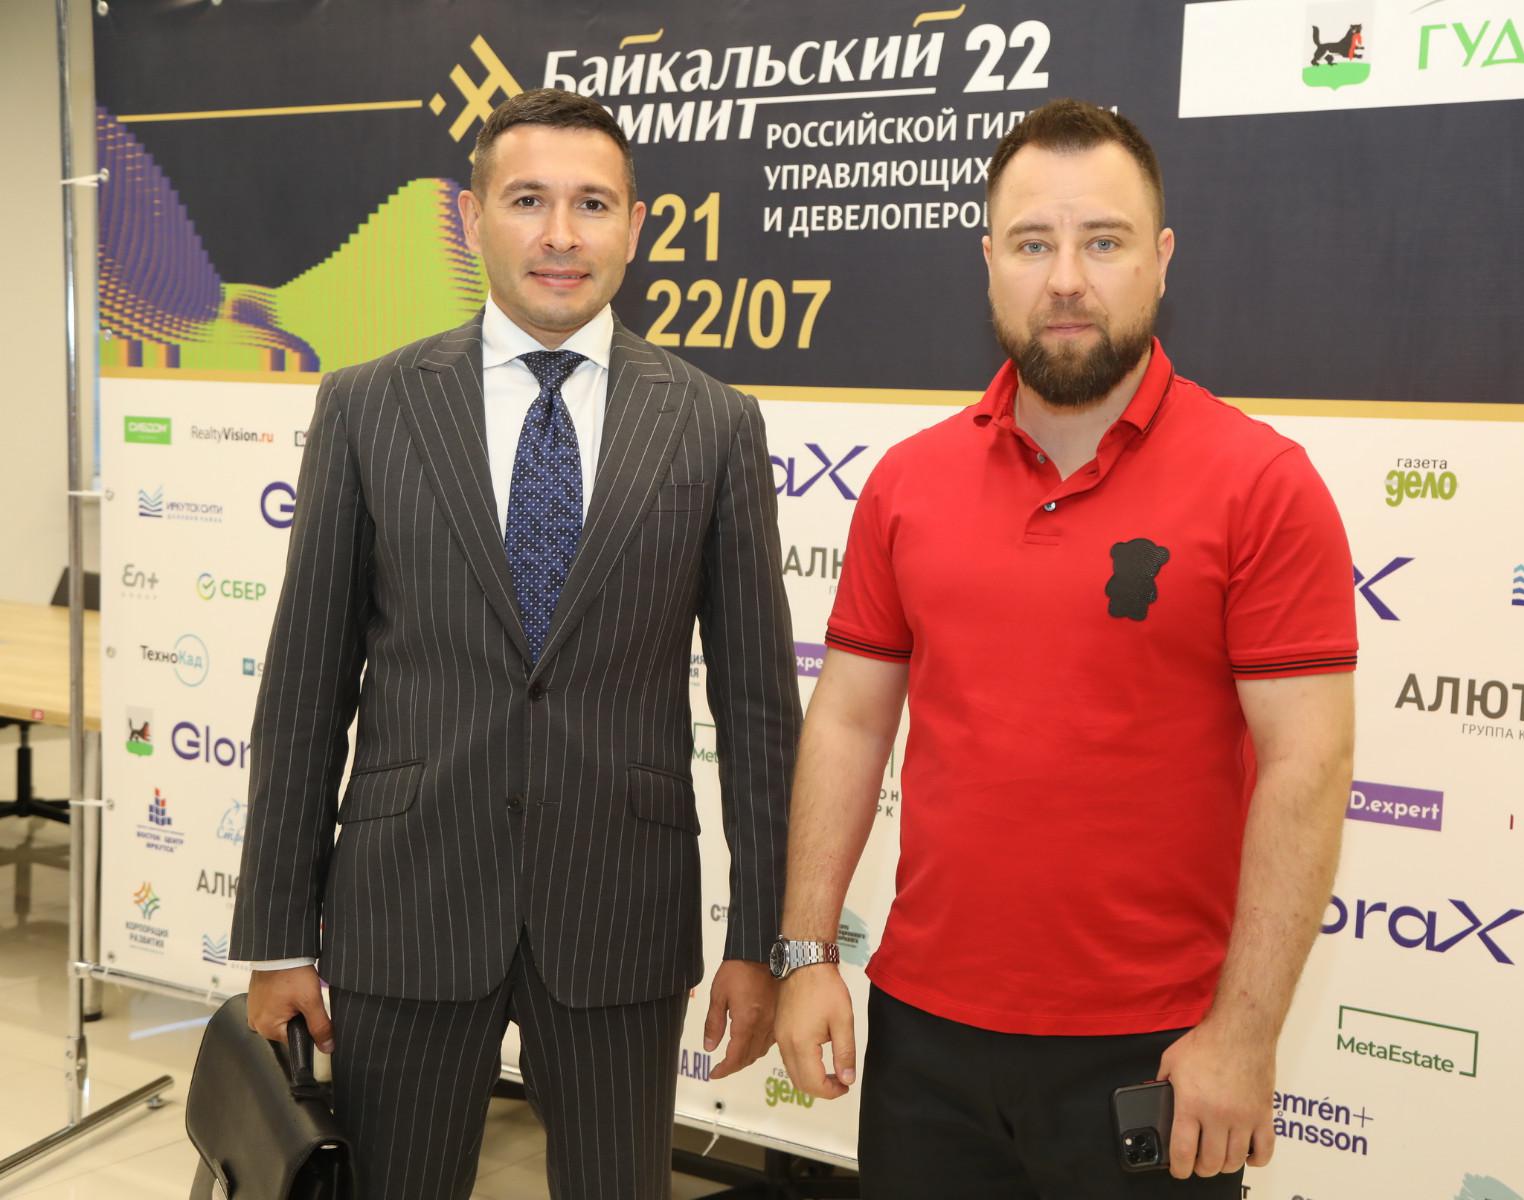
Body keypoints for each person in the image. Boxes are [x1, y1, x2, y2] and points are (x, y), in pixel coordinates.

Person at [771, 98, 1357, 1198]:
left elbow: (1307, 767)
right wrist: (806, 954)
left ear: (1162, 259)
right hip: (924, 1040)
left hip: (1158, 1053)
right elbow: (848, 721)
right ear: (990, 262)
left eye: (1104, 241)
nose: (1068, 279)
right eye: (1034, 243)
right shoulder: (906, 482)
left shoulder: (1263, 484)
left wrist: (1243, 1034)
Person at [229, 88, 801, 1198]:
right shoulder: (368, 408)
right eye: (529, 200)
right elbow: (304, 690)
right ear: (473, 216)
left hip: (619, 913)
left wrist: (761, 938)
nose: (560, 235)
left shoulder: (714, 424)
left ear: (636, 227)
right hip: (408, 904)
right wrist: (280, 938)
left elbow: (760, 713)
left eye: (593, 204)